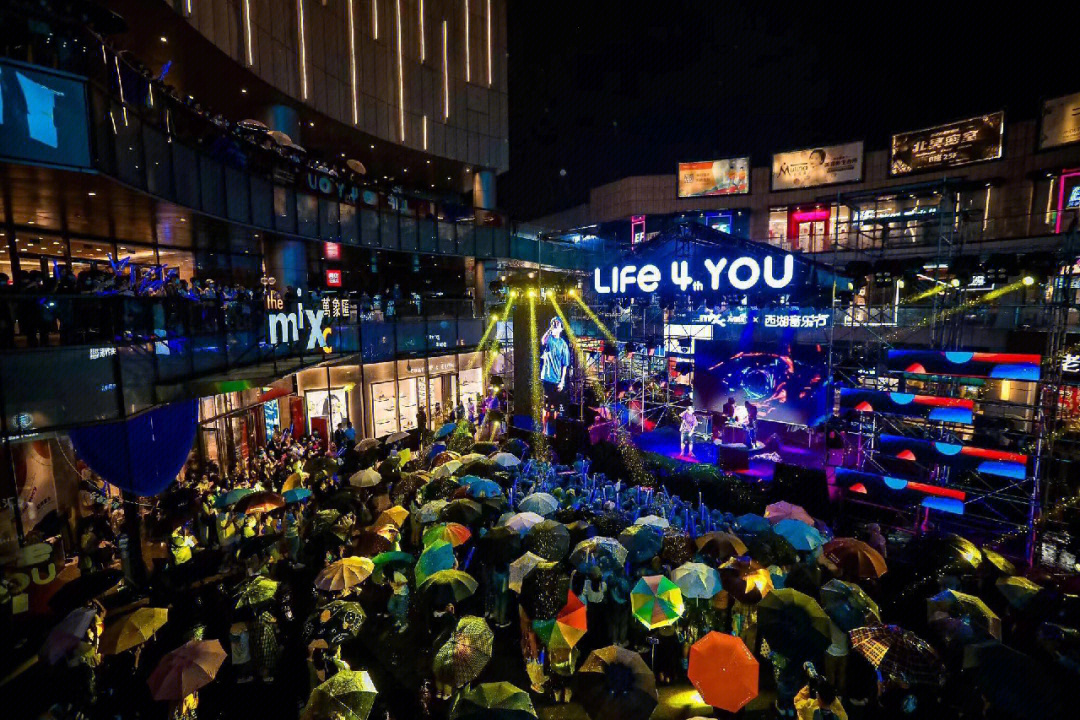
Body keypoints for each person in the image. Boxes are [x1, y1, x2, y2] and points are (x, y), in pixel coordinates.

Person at [539, 317, 570, 400]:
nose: (555, 325)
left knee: (555, 405)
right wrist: (551, 328)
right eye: (553, 323)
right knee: (545, 404)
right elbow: (543, 340)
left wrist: (562, 381)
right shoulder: (549, 339)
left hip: (556, 380)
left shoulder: (563, 344)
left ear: (561, 329)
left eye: (558, 324)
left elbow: (565, 365)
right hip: (545, 378)